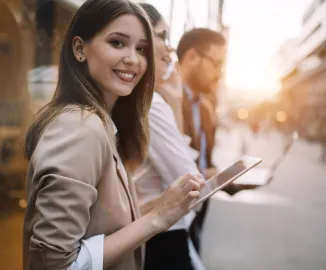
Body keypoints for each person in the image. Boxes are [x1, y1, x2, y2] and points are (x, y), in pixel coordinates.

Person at [22, 1, 204, 269]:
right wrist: (156, 219)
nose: (133, 58)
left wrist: (158, 207)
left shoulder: (104, 124)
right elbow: (54, 265)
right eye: (117, 43)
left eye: (141, 49)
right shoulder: (80, 128)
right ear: (79, 49)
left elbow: (94, 228)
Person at [133, 4, 207, 270]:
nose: (169, 47)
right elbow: (190, 182)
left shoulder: (152, 101)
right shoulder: (149, 103)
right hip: (160, 237)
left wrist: (174, 101)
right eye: (162, 36)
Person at [176, 28, 227, 253]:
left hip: (199, 209)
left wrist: (226, 179)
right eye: (216, 63)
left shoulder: (205, 108)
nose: (219, 73)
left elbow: (206, 159)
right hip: (174, 220)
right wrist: (204, 174)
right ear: (191, 57)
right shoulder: (166, 103)